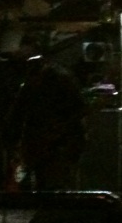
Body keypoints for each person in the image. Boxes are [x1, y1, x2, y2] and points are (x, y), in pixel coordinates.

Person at [5, 45, 88, 191]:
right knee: (43, 181)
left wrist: (57, 132)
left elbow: (78, 110)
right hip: (44, 141)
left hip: (61, 142)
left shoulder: (60, 78)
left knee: (56, 182)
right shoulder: (32, 83)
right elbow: (20, 113)